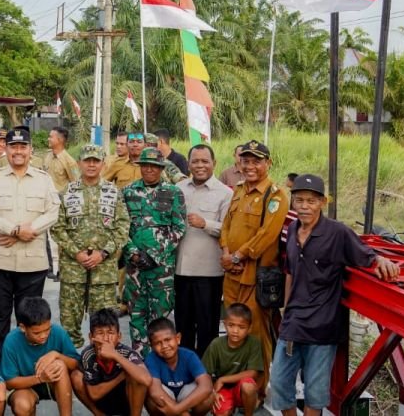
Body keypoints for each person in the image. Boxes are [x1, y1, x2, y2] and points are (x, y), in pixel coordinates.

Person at [271, 174, 400, 416]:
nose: (304, 206)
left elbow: (366, 255)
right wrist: (286, 311)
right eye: (299, 200)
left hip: (323, 325)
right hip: (293, 322)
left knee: (316, 391)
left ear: (322, 202)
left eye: (311, 201)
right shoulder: (293, 229)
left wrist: (382, 261)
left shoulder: (337, 232)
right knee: (279, 382)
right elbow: (290, 273)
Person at [0, 126, 60, 364]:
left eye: (23, 146)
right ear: (6, 149)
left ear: (31, 150)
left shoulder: (44, 180)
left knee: (30, 319)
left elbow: (53, 212)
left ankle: (26, 366)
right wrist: (14, 230)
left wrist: (28, 230)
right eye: (13, 146)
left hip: (32, 263)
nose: (18, 151)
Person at [50, 144, 128, 349]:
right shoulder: (66, 192)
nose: (91, 165)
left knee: (105, 327)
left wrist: (103, 253)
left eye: (96, 161)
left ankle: (102, 362)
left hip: (103, 272)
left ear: (103, 164)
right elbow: (57, 228)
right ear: (79, 163)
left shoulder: (114, 192)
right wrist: (76, 253)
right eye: (87, 160)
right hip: (73, 271)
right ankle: (72, 363)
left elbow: (123, 227)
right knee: (69, 327)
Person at [218, 140, 288, 368]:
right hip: (232, 275)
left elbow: (266, 235)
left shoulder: (275, 196)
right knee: (233, 329)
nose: (250, 166)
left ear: (268, 163)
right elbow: (226, 225)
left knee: (255, 333)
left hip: (255, 278)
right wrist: (226, 254)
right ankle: (235, 377)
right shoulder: (239, 190)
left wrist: (236, 256)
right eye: (246, 161)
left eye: (256, 162)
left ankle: (256, 382)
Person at [121, 148, 186, 355]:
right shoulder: (128, 192)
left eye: (154, 166)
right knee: (136, 315)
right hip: (135, 268)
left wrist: (154, 255)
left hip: (161, 269)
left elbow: (179, 228)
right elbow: (121, 227)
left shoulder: (173, 192)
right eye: (145, 165)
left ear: (161, 168)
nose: (149, 169)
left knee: (160, 317)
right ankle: (139, 359)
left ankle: (160, 360)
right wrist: (133, 253)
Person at [174, 145, 233, 356]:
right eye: (195, 161)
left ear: (214, 164)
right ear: (188, 164)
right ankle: (185, 368)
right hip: (181, 271)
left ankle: (206, 370)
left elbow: (229, 231)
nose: (200, 165)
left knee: (208, 328)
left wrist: (205, 223)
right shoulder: (178, 189)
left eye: (205, 161)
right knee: (183, 327)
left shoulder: (225, 193)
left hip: (209, 273)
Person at [0, 297, 78, 416]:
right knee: (22, 405)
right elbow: (10, 382)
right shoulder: (11, 341)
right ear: (22, 328)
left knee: (59, 365)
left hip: (55, 384)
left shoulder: (58, 332)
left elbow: (76, 364)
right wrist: (40, 378)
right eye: (36, 333)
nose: (43, 335)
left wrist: (56, 355)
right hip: (25, 387)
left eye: (47, 330)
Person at [71, 308, 152, 416]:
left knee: (136, 374)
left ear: (119, 336)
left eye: (110, 333)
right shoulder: (88, 355)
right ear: (91, 337)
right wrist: (122, 376)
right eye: (100, 333)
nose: (105, 338)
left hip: (126, 400)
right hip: (102, 401)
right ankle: (99, 414)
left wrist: (115, 355)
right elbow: (94, 394)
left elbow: (146, 380)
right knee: (76, 376)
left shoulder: (126, 352)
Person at [199, 305, 263, 416]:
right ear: (224, 324)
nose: (235, 331)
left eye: (241, 327)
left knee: (248, 387)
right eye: (231, 325)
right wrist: (213, 392)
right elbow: (204, 374)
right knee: (222, 413)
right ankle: (229, 408)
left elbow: (253, 373)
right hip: (222, 389)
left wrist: (223, 379)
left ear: (249, 328)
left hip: (241, 387)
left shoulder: (254, 343)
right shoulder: (216, 344)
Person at [142, 318, 212, 416]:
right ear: (152, 347)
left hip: (186, 397)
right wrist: (182, 413)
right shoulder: (151, 359)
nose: (164, 346)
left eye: (167, 340)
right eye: (158, 343)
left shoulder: (189, 355)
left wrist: (177, 409)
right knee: (151, 397)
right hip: (166, 398)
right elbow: (155, 391)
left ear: (178, 338)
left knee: (209, 396)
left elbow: (206, 386)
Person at [41, 127, 78, 192]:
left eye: (51, 137)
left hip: (60, 197)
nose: (48, 139)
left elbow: (76, 184)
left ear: (60, 140)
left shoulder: (70, 162)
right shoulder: (47, 156)